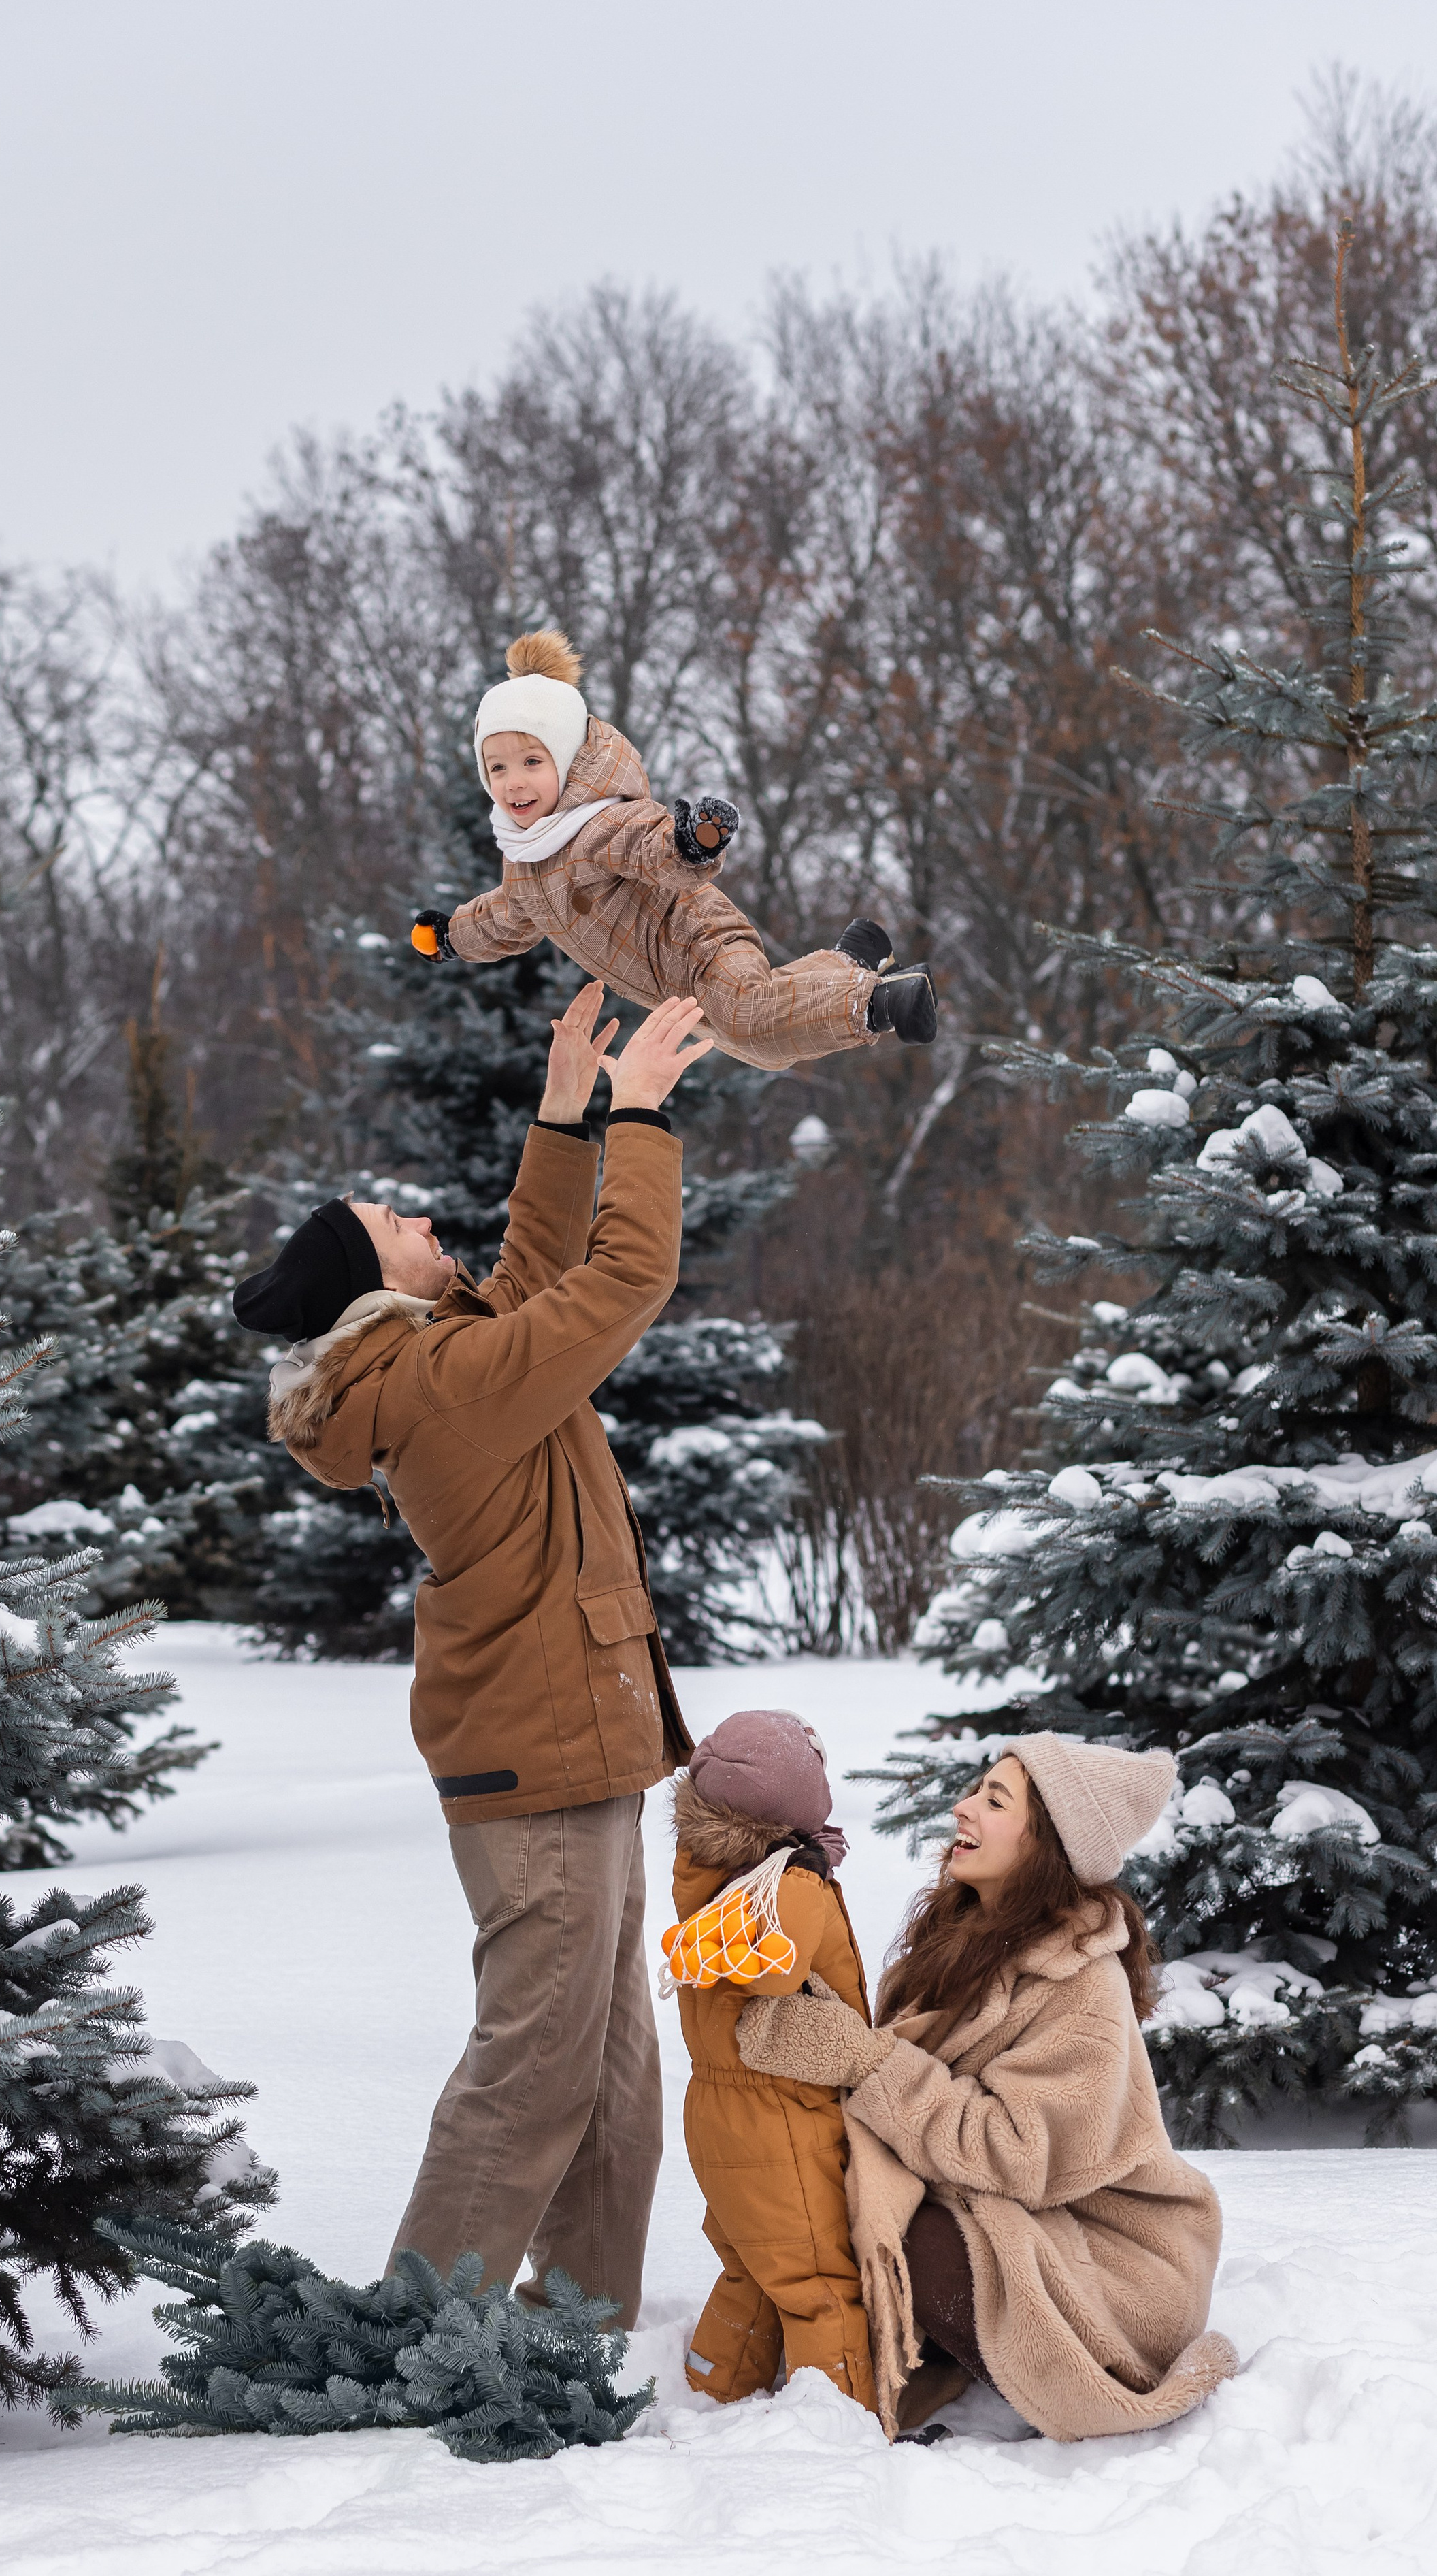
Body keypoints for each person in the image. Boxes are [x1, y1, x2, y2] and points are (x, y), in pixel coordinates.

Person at [231, 985, 709, 2330]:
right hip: (538, 1756)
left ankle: (575, 2332)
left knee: (612, 2073)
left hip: (569, 1739)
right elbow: (619, 1282)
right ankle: (412, 2337)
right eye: (401, 1228)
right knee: (538, 2067)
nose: (429, 1224)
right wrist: (639, 1116)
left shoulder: (437, 1361)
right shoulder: (443, 1383)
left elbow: (534, 1280)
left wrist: (561, 1119)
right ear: (375, 1284)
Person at [735, 1733, 1240, 2442]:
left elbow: (1016, 2152)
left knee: (901, 2238)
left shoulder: (1082, 1986)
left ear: (1047, 1843)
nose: (960, 1808)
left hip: (1115, 2266)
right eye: (976, 1790)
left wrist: (869, 2063)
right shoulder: (963, 1931)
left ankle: (989, 2367)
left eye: (993, 1800)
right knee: (838, 2198)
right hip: (1021, 2214)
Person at [408, 630, 937, 1068]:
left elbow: (648, 843)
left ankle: (883, 1001)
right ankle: (854, 957)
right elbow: (503, 916)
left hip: (701, 946)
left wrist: (692, 841)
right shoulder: (525, 863)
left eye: (531, 762)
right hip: (671, 989)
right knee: (756, 1045)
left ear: (567, 761)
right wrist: (451, 935)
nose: (514, 783)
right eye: (497, 767)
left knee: (750, 1021)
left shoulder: (598, 823)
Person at [662, 1711, 878, 2411]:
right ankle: (839, 2419)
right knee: (816, 2280)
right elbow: (775, 1972)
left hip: (718, 2110)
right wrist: (804, 1881)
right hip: (778, 2116)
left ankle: (710, 2387)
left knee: (752, 2268)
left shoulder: (707, 1865)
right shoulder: (787, 1883)